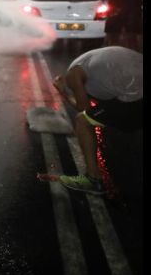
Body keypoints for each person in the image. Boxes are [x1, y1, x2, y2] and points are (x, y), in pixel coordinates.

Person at [52, 46, 142, 194]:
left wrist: (64, 92)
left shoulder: (72, 75)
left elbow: (83, 109)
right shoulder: (95, 64)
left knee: (83, 121)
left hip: (136, 94)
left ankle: (93, 180)